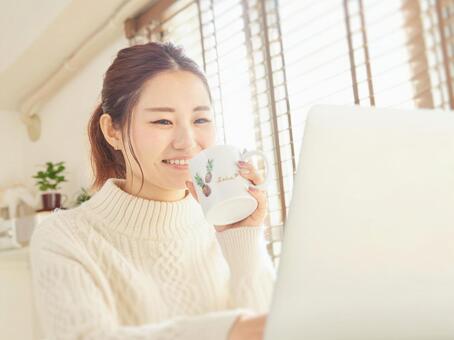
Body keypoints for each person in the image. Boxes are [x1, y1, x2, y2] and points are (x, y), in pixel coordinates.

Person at [30, 41, 275, 340]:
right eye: (162, 121)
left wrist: (242, 237)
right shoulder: (65, 237)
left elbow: (275, 330)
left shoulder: (223, 228)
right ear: (112, 131)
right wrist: (227, 331)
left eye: (200, 119)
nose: (187, 141)